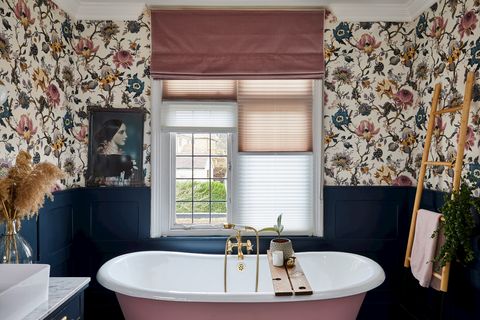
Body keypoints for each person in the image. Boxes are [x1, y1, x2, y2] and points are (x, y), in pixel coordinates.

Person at [91, 119, 136, 184]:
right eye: (121, 132)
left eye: (125, 132)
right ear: (111, 133)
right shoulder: (101, 156)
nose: (126, 136)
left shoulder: (124, 157)